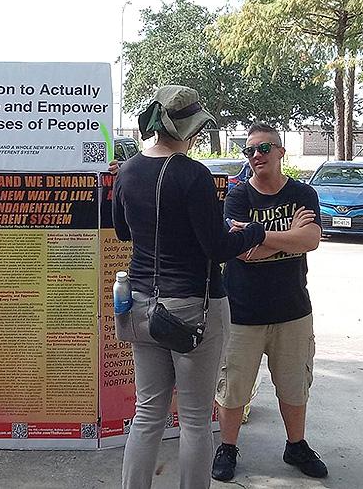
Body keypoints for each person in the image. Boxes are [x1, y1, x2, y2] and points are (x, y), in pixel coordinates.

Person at [112, 85, 270, 489]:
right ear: (187, 131)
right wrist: (252, 232)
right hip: (193, 309)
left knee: (147, 413)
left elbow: (122, 231)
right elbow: (216, 247)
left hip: (141, 305)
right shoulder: (194, 174)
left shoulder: (127, 171)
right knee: (197, 419)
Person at [211, 122, 325, 481]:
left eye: (263, 148)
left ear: (280, 152)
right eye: (249, 151)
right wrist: (290, 234)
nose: (256, 156)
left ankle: (296, 446)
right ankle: (227, 447)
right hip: (243, 311)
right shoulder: (239, 196)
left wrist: (263, 238)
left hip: (293, 310)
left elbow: (311, 240)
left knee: (294, 384)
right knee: (233, 387)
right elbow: (242, 253)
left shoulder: (304, 193)